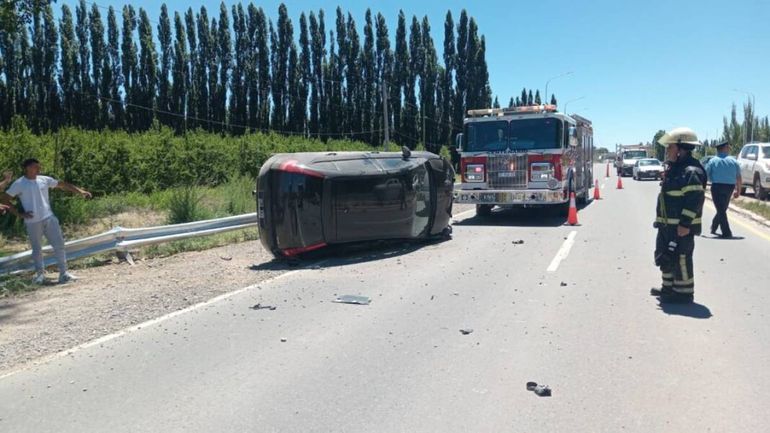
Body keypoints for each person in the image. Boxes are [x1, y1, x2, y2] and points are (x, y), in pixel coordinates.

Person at [0, 159, 92, 284]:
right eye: (35, 167)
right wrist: (19, 214)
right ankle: (40, 276)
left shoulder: (44, 179)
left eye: (39, 166)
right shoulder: (19, 183)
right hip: (32, 221)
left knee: (59, 245)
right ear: (27, 168)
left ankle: (64, 273)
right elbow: (5, 199)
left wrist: (80, 191)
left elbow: (62, 184)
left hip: (49, 217)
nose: (39, 169)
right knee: (37, 249)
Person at [650, 127, 706, 304]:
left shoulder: (691, 171)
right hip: (667, 225)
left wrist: (685, 224)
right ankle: (668, 288)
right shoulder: (677, 168)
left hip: (681, 227)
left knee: (680, 258)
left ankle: (683, 293)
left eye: (670, 147)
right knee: (664, 255)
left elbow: (694, 199)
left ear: (681, 149)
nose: (667, 151)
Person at [705, 141, 741, 238]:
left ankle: (723, 231)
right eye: (728, 147)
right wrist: (738, 190)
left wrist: (703, 186)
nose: (729, 149)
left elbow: (706, 175)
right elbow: (739, 177)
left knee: (721, 209)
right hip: (729, 187)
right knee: (722, 209)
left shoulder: (712, 161)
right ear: (725, 148)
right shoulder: (734, 161)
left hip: (717, 187)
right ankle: (720, 229)